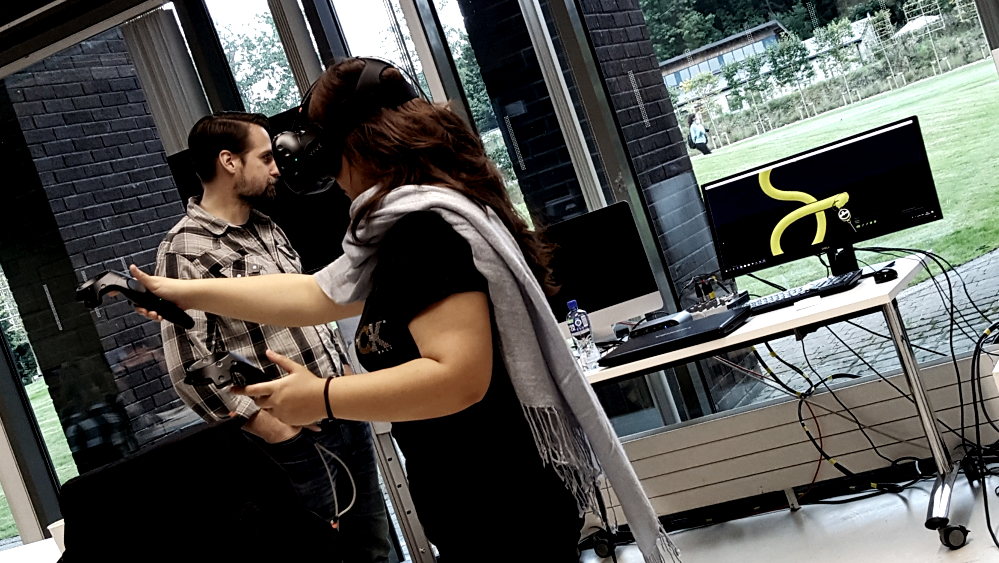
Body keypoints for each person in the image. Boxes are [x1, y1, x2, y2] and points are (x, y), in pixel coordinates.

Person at [131, 58, 680, 563]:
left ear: (351, 145)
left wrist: (320, 397)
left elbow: (458, 377)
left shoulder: (421, 231)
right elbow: (311, 295)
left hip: (500, 503)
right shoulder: (394, 227)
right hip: (481, 501)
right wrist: (183, 291)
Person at [155, 112, 390, 562]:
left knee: (374, 550)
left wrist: (342, 378)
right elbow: (188, 366)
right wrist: (273, 429)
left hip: (341, 409)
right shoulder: (184, 249)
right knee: (323, 557)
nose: (277, 168)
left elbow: (307, 308)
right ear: (228, 161)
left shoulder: (269, 227)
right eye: (265, 157)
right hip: (293, 439)